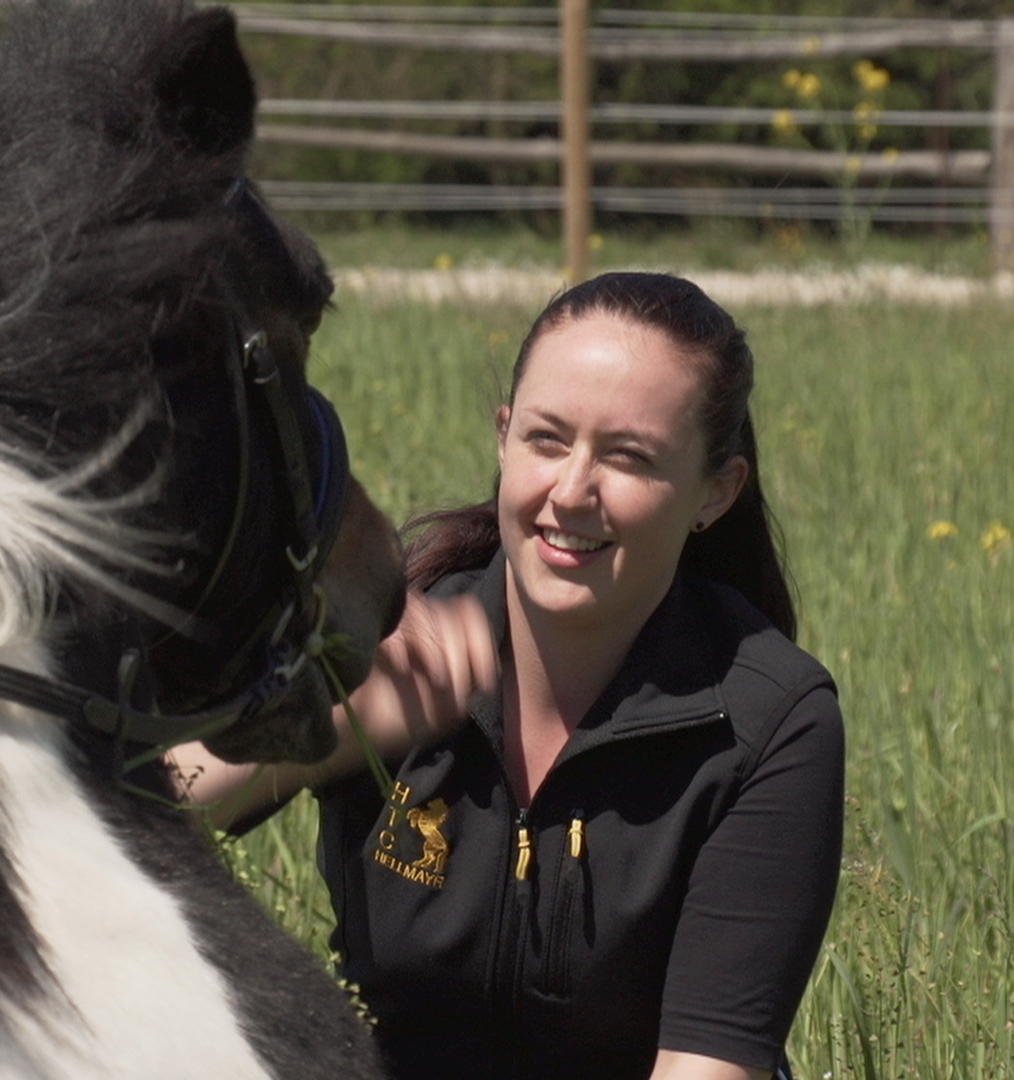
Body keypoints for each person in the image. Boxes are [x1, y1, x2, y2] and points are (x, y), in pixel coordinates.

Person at [166, 272, 845, 1080]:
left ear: (713, 492)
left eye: (628, 456)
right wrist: (325, 726)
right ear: (502, 438)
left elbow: (709, 1066)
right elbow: (136, 809)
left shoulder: (767, 721)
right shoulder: (392, 642)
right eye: (546, 440)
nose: (571, 490)